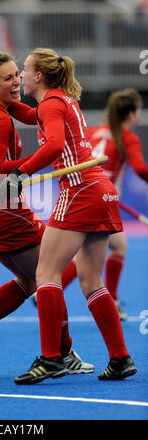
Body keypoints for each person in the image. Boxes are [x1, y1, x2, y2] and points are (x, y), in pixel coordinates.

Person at [0, 33, 94, 376]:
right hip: (6, 209)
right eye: (8, 78)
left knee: (32, 281)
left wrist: (58, 109)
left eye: (18, 75)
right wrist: (29, 166)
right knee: (49, 276)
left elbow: (33, 116)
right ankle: (61, 353)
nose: (16, 82)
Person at [1, 48, 136, 384]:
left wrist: (22, 171)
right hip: (101, 191)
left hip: (79, 192)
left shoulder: (50, 104)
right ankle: (120, 358)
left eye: (24, 69)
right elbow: (30, 116)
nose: (19, 74)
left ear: (39, 77)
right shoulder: (59, 101)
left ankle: (50, 359)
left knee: (46, 273)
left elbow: (55, 145)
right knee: (91, 281)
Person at [60, 88, 148, 320]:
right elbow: (140, 169)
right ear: (130, 114)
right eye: (138, 110)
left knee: (98, 249)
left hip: (84, 193)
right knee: (103, 252)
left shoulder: (94, 131)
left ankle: (49, 290)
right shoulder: (128, 137)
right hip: (103, 200)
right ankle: (112, 299)